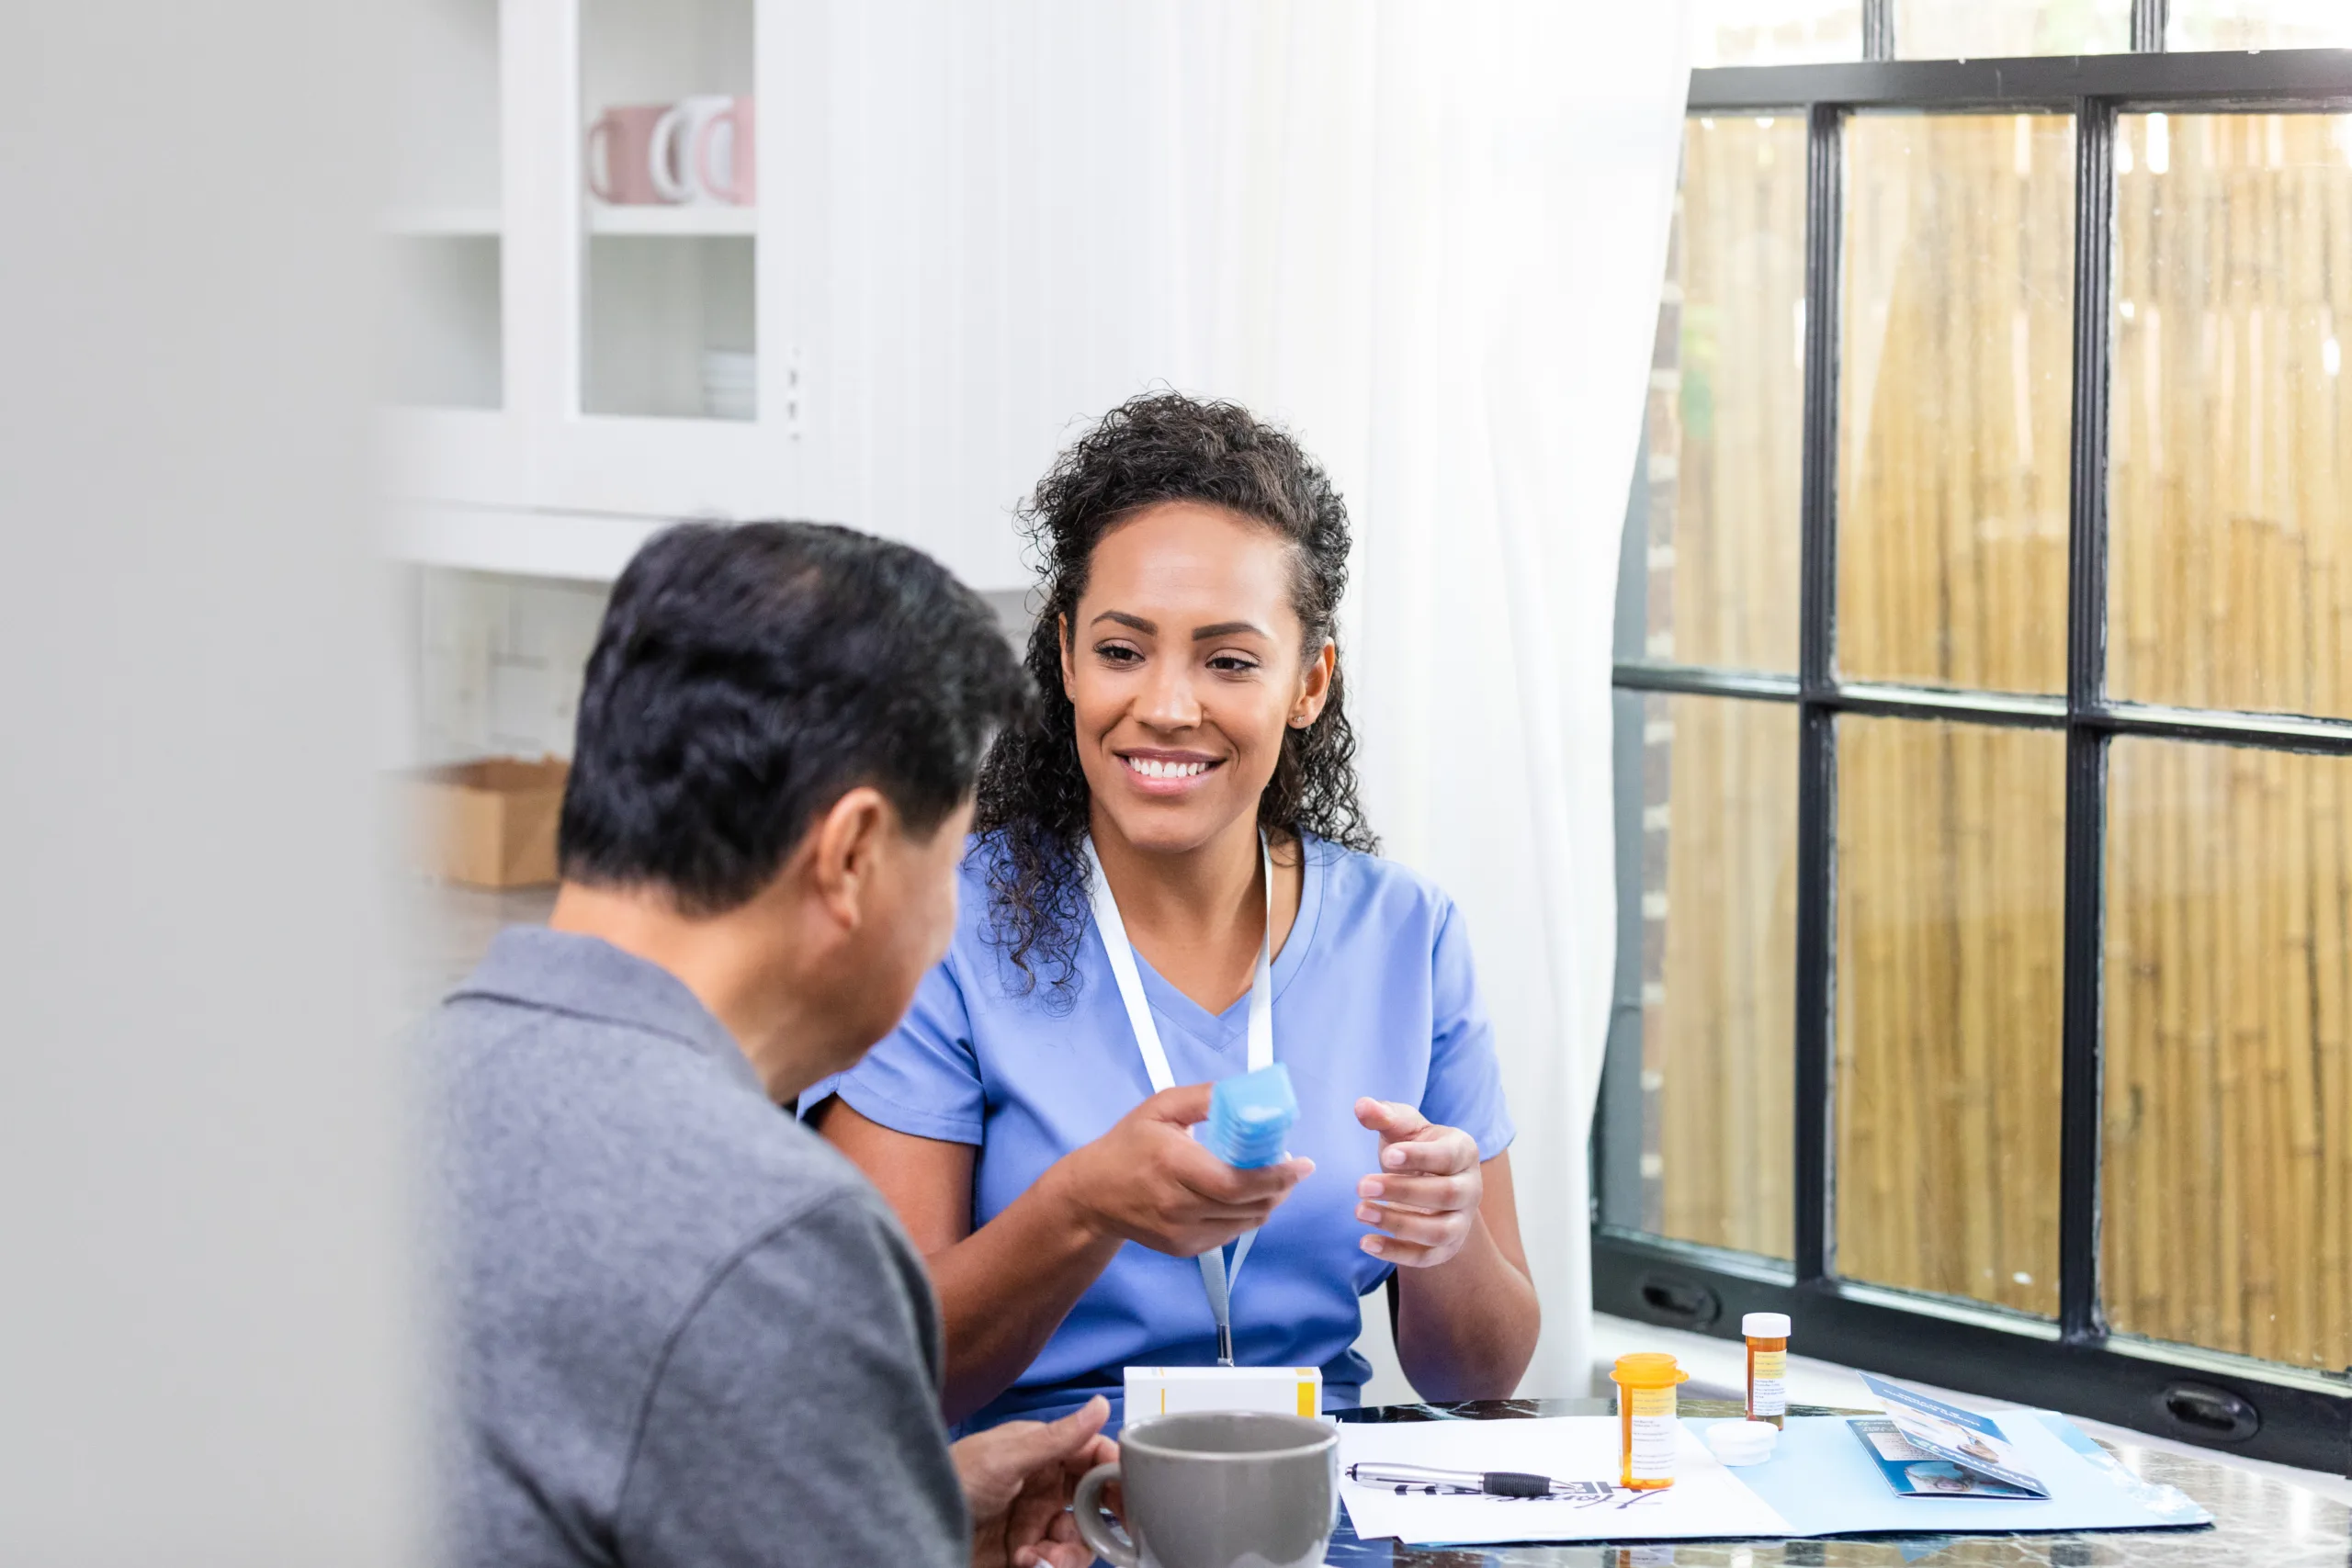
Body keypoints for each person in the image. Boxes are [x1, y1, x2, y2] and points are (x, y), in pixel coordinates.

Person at [807, 393, 1542, 1431]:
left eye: (1229, 660)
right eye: (1121, 650)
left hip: (1312, 1514)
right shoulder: (936, 930)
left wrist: (1452, 1232)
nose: (1164, 705)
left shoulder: (1405, 934)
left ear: (1307, 682)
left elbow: (1479, 1379)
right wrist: (1082, 1208)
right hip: (1039, 1518)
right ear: (1064, 658)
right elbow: (882, 1374)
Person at [427, 521, 1117, 1568]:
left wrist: (914, 1513)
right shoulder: (781, 1233)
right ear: (852, 858)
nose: (948, 920)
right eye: (947, 865)